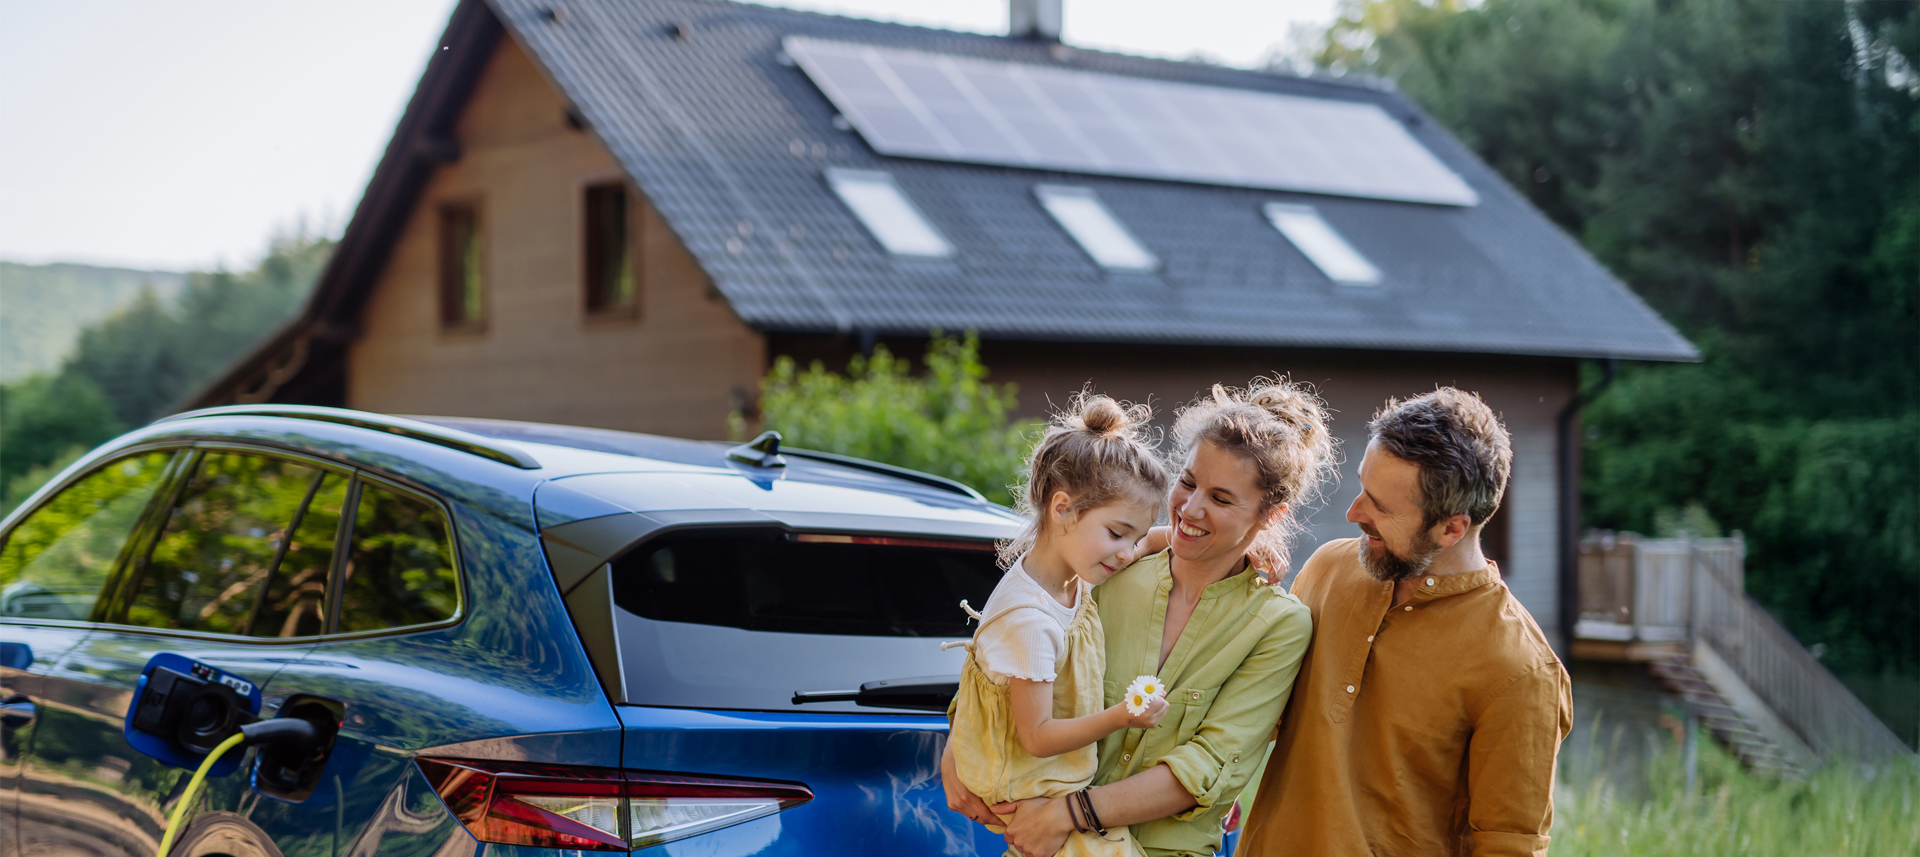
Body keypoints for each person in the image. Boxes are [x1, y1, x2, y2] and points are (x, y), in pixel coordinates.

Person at [945, 379, 1334, 857]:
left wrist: (1067, 813)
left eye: (1221, 499)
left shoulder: (1279, 625)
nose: (1191, 508)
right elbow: (1010, 657)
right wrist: (955, 743)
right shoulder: (1108, 569)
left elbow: (1206, 766)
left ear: (1271, 515)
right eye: (1187, 482)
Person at [1235, 387, 1573, 857]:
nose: (1353, 513)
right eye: (1362, 486)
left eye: (1382, 507)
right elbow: (1249, 721)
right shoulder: (1328, 569)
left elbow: (1509, 846)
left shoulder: (1522, 670)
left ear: (1451, 528)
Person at [946, 394, 1173, 856]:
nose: (1127, 553)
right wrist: (1124, 716)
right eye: (1117, 533)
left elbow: (1147, 541)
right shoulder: (1030, 621)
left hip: (1053, 783)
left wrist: (1207, 542)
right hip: (1027, 787)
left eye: (1133, 537)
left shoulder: (1071, 567)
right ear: (1063, 508)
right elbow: (1038, 736)